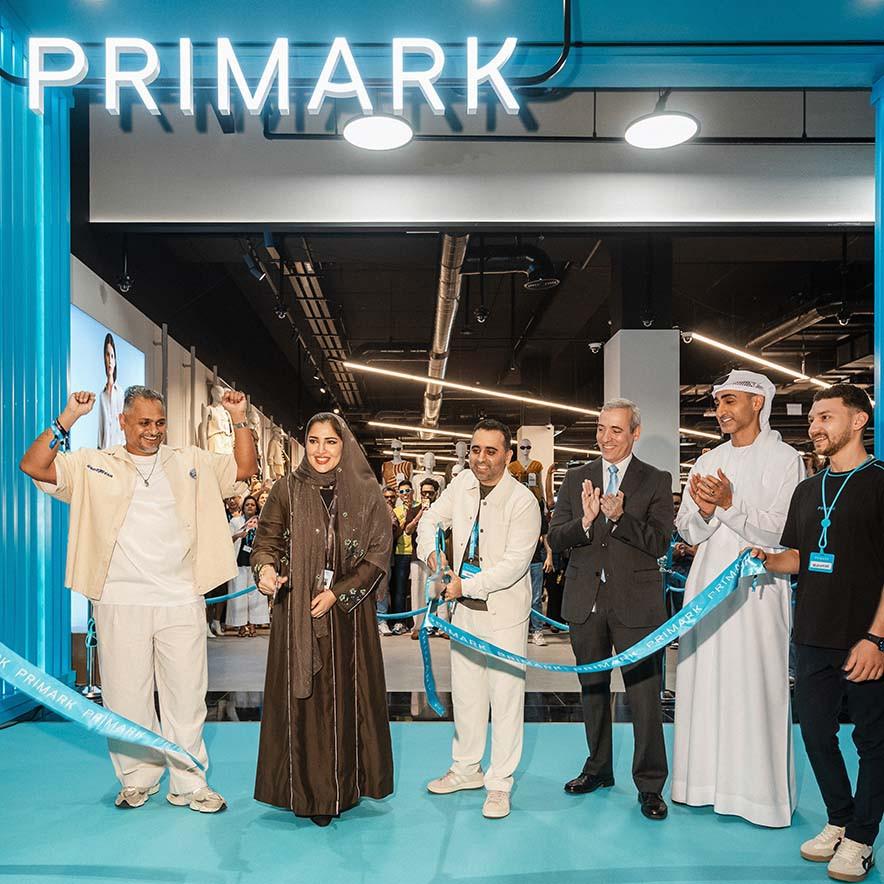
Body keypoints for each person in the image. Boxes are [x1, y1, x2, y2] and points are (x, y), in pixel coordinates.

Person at [19, 385, 257, 812]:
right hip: (117, 598)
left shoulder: (189, 461)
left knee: (186, 695)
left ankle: (189, 783)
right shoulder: (94, 463)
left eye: (160, 422)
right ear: (123, 421)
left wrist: (238, 416)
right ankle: (136, 778)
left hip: (182, 597)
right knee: (127, 695)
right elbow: (33, 464)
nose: (153, 431)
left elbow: (243, 467)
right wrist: (68, 417)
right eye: (144, 422)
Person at [754, 384, 883, 882]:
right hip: (811, 636)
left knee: (874, 742)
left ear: (857, 422)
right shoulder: (808, 490)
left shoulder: (879, 483)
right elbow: (799, 557)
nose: (814, 427)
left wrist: (876, 639)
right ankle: (840, 818)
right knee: (815, 733)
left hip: (866, 639)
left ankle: (863, 838)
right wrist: (766, 559)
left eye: (826, 417)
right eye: (812, 419)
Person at [672, 369, 804, 827]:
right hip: (706, 589)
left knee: (754, 688)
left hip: (758, 594)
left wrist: (729, 504)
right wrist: (706, 511)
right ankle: (700, 785)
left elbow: (782, 531)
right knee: (704, 682)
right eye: (719, 403)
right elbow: (687, 531)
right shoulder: (706, 461)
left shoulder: (786, 459)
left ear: (757, 404)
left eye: (730, 401)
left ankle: (757, 799)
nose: (722, 411)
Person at [251, 413, 393, 827]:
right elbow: (267, 541)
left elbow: (378, 554)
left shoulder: (366, 493)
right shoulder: (287, 489)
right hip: (296, 612)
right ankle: (308, 793)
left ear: (343, 445)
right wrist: (264, 570)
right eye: (313, 441)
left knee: (347, 701)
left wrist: (338, 592)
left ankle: (343, 789)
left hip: (347, 618)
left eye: (330, 442)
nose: (321, 450)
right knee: (305, 705)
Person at [548, 398, 673, 821]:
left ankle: (651, 786)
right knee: (592, 692)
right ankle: (598, 769)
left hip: (637, 607)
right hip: (586, 603)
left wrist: (620, 519)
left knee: (644, 700)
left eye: (616, 430)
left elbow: (659, 543)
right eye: (601, 429)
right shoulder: (577, 477)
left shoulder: (656, 480)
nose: (605, 438)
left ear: (635, 433)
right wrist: (584, 523)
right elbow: (557, 538)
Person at [418, 419, 540, 820]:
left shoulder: (523, 501)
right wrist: (434, 560)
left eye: (491, 451)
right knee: (468, 695)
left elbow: (513, 566)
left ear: (507, 455)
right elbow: (429, 522)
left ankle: (499, 783)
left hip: (503, 615)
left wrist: (462, 587)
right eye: (475, 450)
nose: (482, 459)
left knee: (505, 700)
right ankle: (466, 768)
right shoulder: (461, 486)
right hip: (462, 614)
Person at [408, 478, 450, 639]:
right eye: (424, 492)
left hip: (438, 556)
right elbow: (408, 530)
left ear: (436, 493)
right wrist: (420, 515)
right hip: (417, 557)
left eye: (430, 493)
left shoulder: (441, 512)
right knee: (418, 591)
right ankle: (418, 627)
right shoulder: (414, 509)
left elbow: (446, 534)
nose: (427, 495)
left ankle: (443, 625)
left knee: (441, 589)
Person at [226, 495, 269, 636]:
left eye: (252, 505)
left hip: (254, 563)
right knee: (239, 595)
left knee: (255, 595)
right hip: (239, 561)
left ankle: (253, 623)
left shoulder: (261, 522)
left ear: (256, 507)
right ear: (243, 507)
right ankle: (241, 625)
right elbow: (227, 539)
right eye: (247, 505)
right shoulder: (235, 521)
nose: (250, 507)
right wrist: (238, 535)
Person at [389, 480, 420, 634]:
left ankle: (418, 623)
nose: (405, 494)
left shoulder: (420, 507)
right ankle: (399, 622)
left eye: (407, 491)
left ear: (412, 491)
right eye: (401, 492)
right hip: (401, 553)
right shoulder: (396, 510)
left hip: (417, 553)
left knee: (418, 589)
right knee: (400, 589)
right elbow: (397, 532)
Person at [528, 497, 552, 646]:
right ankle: (522, 630)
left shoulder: (539, 518)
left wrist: (549, 555)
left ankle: (537, 631)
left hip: (535, 561)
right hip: (517, 563)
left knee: (536, 599)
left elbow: (546, 536)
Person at [377, 486, 401, 636]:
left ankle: (382, 620)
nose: (389, 500)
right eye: (386, 497)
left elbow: (395, 528)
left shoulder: (389, 511)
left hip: (385, 555)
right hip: (367, 555)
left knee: (382, 588)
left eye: (392, 497)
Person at [97, 332, 125, 450]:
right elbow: (101, 429)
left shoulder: (121, 393)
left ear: (115, 360)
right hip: (104, 453)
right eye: (107, 355)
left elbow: (124, 427)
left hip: (119, 452)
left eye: (112, 356)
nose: (109, 360)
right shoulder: (102, 395)